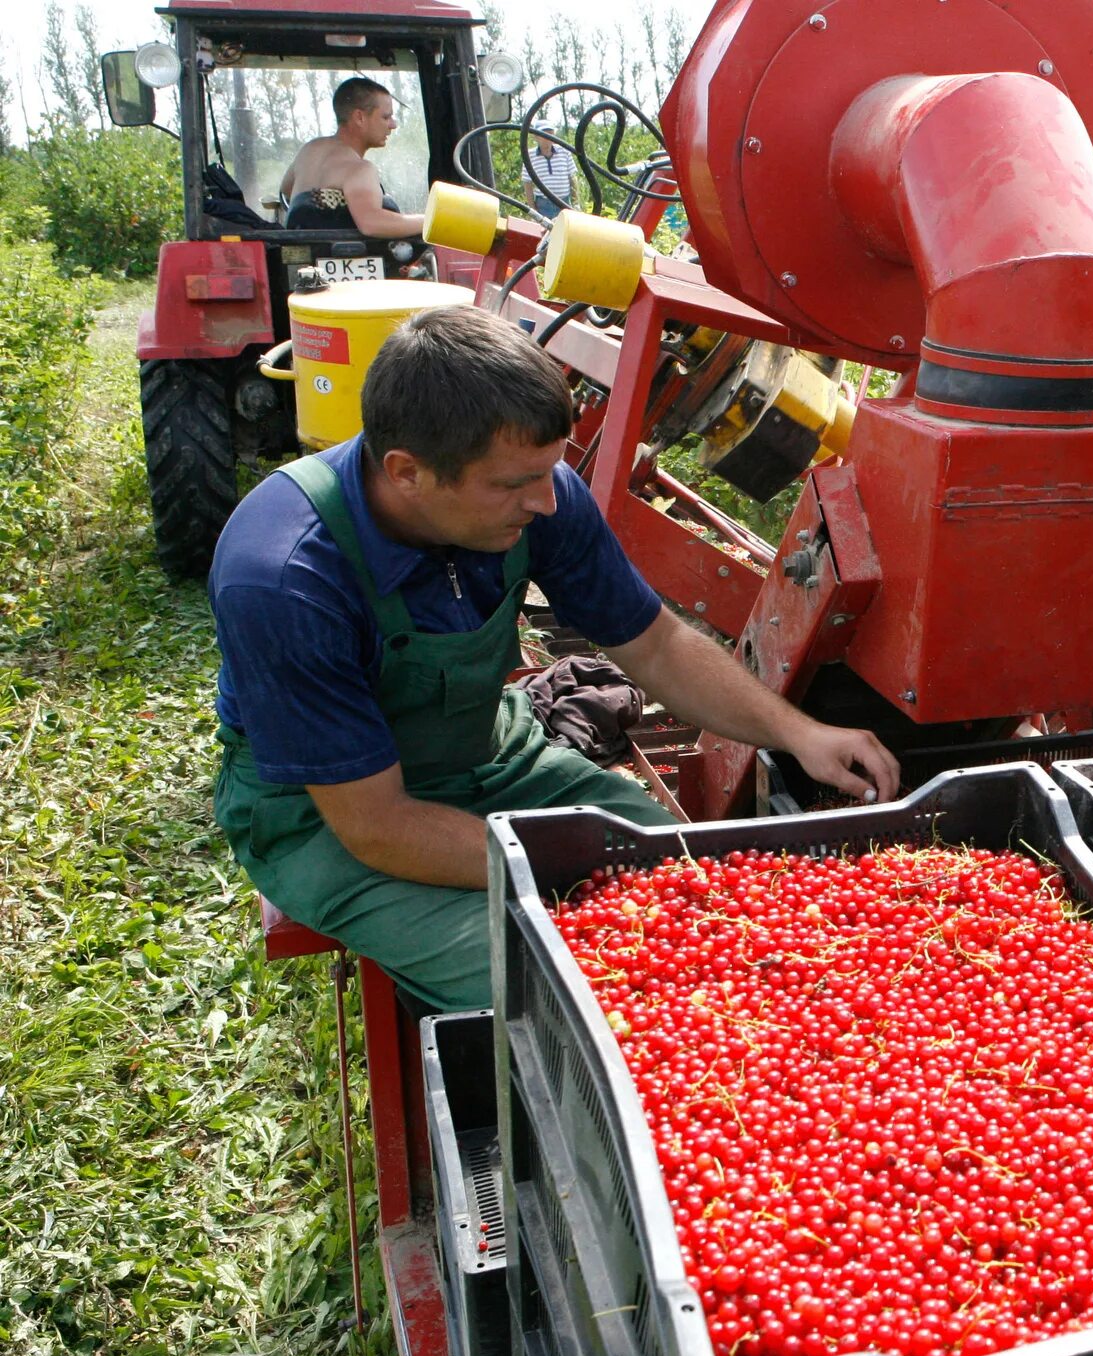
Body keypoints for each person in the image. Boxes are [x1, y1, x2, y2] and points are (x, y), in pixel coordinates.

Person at [209, 306, 900, 1011]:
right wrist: (576, 859)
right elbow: (378, 826)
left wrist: (799, 733)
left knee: (693, 883)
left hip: (488, 756)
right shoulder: (284, 576)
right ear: (408, 472)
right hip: (330, 818)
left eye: (550, 471)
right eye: (512, 485)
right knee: (550, 980)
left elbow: (656, 644)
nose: (546, 500)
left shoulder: (539, 491)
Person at [278, 76, 424, 237]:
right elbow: (372, 223)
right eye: (386, 117)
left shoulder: (309, 150)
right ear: (359, 117)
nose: (393, 124)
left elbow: (286, 189)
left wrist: (330, 206)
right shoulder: (359, 169)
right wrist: (430, 221)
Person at [523, 124, 577, 220]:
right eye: (544, 135)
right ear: (536, 137)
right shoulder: (529, 155)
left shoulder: (564, 151)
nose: (547, 138)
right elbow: (527, 184)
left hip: (564, 203)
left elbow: (572, 177)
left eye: (550, 134)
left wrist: (575, 202)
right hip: (543, 205)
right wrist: (533, 209)